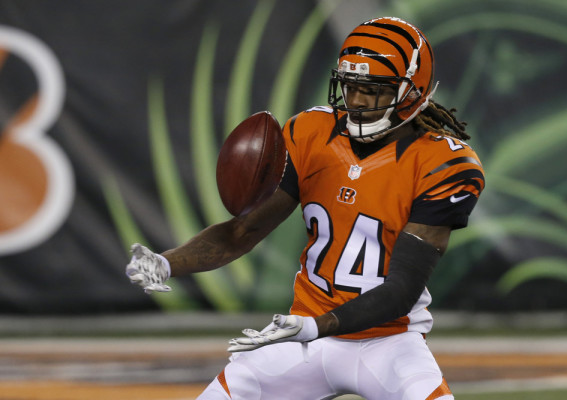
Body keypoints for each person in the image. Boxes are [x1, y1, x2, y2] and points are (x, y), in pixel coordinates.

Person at [126, 17, 484, 400]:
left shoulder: (443, 164)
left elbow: (401, 289)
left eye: (372, 90)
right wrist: (166, 263)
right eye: (350, 86)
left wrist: (315, 326)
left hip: (388, 342)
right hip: (304, 340)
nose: (357, 101)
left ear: (412, 91)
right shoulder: (312, 133)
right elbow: (241, 232)